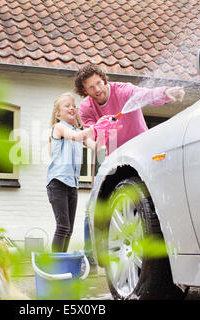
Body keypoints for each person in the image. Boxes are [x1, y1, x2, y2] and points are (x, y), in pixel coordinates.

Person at [74, 63, 185, 273]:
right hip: (113, 156)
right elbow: (91, 137)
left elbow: (146, 94)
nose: (97, 89)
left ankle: (163, 253)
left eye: (98, 83)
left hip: (142, 151)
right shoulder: (87, 107)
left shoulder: (122, 90)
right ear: (84, 91)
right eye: (90, 87)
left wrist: (167, 92)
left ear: (103, 79)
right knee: (93, 207)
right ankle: (89, 259)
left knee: (150, 200)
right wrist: (99, 130)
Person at [46, 92, 120, 252]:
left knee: (69, 230)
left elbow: (98, 147)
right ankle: (54, 266)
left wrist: (106, 130)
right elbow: (77, 137)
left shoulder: (78, 131)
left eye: (74, 106)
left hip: (72, 186)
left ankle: (62, 263)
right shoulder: (59, 127)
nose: (72, 108)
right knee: (63, 227)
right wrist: (97, 126)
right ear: (58, 113)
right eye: (67, 106)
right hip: (57, 183)